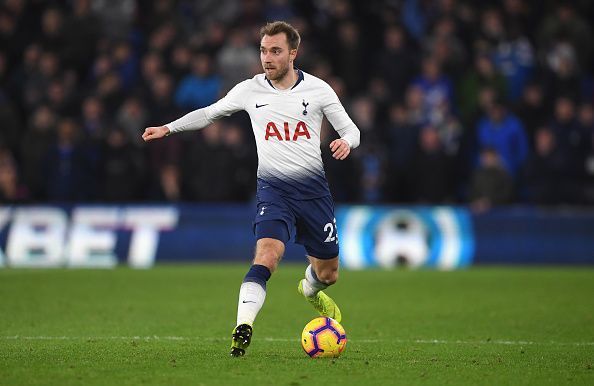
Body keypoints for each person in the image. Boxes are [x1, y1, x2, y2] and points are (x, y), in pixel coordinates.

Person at [141, 21, 360, 357]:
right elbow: (210, 114)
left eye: (275, 51)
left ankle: (309, 288)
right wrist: (168, 128)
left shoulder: (318, 90)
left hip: (314, 195)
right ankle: (243, 326)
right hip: (274, 192)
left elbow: (352, 130)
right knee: (267, 255)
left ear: (293, 54)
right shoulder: (250, 90)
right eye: (263, 50)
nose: (267, 58)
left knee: (328, 274)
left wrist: (346, 141)